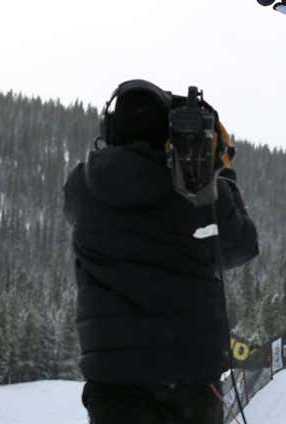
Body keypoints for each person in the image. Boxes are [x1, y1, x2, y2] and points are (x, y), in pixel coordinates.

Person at [64, 80, 259, 424]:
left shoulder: (83, 186)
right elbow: (241, 246)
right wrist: (221, 171)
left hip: (113, 382)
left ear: (109, 129)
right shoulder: (199, 191)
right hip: (192, 378)